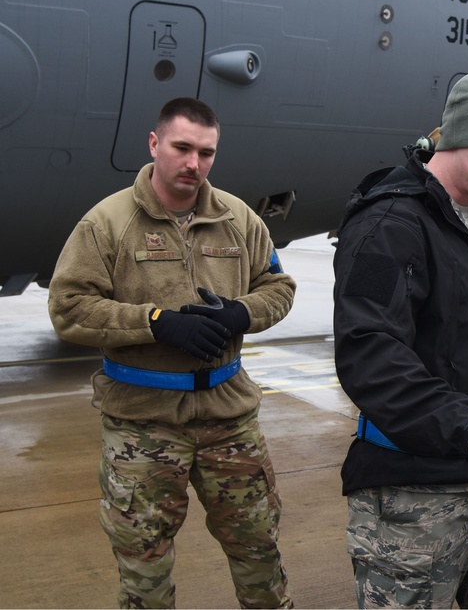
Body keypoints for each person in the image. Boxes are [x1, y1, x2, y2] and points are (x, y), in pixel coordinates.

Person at [47, 97, 296, 608]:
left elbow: (279, 286)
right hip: (143, 423)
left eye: (206, 153)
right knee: (143, 565)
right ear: (155, 144)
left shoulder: (238, 219)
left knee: (259, 550)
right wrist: (154, 323)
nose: (194, 164)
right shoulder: (107, 223)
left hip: (230, 418)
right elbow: (68, 308)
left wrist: (240, 314)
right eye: (182, 148)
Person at [333, 69, 468, 608]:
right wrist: (466, 428)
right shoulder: (388, 224)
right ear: (455, 135)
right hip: (415, 497)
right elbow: (369, 347)